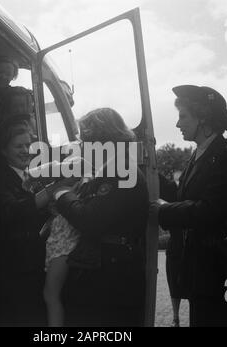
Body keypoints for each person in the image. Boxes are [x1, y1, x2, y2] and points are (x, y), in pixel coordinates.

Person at [49, 108, 149, 327]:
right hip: (109, 274)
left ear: (102, 141)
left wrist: (60, 193)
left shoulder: (121, 171)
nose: (82, 147)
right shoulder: (112, 170)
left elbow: (90, 220)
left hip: (111, 280)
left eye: (85, 141)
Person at [152, 85, 227, 327]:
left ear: (203, 117)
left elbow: (210, 210)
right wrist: (150, 172)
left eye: (183, 116)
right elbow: (182, 197)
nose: (177, 124)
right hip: (202, 270)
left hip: (220, 269)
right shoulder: (200, 154)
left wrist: (162, 210)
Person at [0, 119, 49, 326]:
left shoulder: (34, 175)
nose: (26, 150)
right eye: (18, 146)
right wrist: (49, 194)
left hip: (34, 264)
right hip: (11, 268)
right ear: (3, 150)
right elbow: (9, 212)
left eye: (28, 145)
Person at [159, 173, 184, 327]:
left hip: (181, 241)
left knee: (177, 281)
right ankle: (175, 316)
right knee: (174, 281)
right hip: (176, 242)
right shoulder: (171, 188)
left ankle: (176, 317)